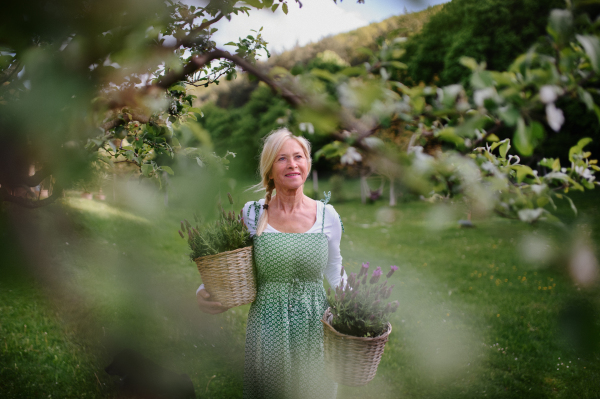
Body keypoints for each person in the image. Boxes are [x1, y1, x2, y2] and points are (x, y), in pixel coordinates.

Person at [196, 128, 346, 399]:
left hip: (316, 325)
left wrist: (357, 308)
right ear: (269, 170)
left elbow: (334, 269)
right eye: (282, 158)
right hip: (268, 326)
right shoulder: (253, 214)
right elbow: (230, 261)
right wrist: (204, 291)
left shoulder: (327, 216)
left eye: (298, 156)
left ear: (307, 164)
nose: (292, 164)